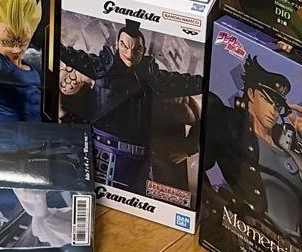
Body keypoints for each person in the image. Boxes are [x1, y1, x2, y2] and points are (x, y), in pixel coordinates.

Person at [203, 55, 302, 252]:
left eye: (278, 104)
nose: (273, 110)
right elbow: (194, 160)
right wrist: (219, 209)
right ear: (251, 94)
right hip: (248, 239)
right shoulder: (230, 125)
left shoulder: (296, 154)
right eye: (268, 99)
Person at [59, 19, 203, 193]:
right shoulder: (100, 67)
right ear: (117, 45)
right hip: (101, 149)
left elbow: (194, 91)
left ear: (142, 50)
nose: (130, 53)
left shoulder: (154, 78)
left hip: (137, 159)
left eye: (136, 49)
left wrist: (188, 148)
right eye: (125, 46)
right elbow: (67, 55)